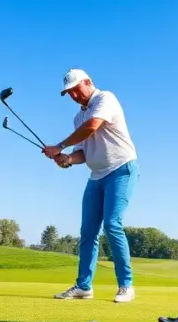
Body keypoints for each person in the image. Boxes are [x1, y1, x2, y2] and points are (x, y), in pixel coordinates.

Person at [41, 68, 140, 303]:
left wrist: (60, 145)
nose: (74, 96)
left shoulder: (106, 98)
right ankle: (83, 286)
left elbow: (93, 125)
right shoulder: (78, 118)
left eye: (76, 90)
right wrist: (66, 159)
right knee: (87, 232)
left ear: (88, 82)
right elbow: (82, 153)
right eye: (69, 93)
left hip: (121, 169)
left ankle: (126, 286)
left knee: (112, 225)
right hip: (96, 176)